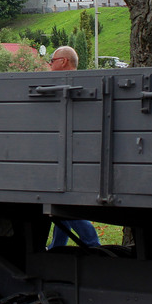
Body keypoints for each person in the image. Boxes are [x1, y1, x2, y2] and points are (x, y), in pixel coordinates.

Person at [46, 46, 100, 249]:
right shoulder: (75, 85)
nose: (50, 65)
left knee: (67, 209)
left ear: (63, 61)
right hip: (69, 159)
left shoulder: (67, 86)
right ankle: (57, 248)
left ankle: (93, 244)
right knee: (61, 209)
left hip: (70, 161)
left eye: (52, 61)